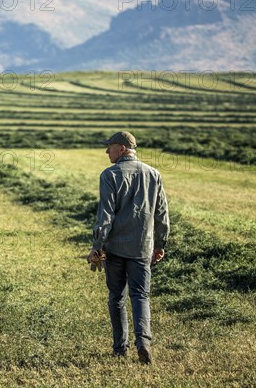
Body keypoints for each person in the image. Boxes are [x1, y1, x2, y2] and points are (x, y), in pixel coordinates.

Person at [87, 131, 170, 364]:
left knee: (116, 297)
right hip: (143, 248)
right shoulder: (154, 174)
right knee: (141, 296)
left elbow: (105, 216)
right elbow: (162, 214)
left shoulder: (109, 175)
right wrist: (160, 243)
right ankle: (143, 342)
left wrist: (97, 245)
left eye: (110, 147)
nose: (106, 151)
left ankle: (120, 347)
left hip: (114, 248)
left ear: (122, 148)